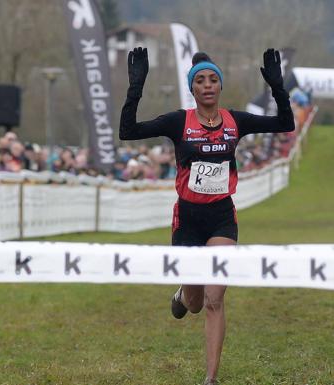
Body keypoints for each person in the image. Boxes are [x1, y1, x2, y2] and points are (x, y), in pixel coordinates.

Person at [119, 47, 294, 385]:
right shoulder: (178, 122)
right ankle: (182, 295)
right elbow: (128, 131)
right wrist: (136, 87)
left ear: (220, 86)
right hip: (187, 219)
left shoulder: (235, 121)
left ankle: (210, 378)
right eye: (200, 80)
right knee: (196, 302)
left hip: (221, 217)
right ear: (193, 89)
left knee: (215, 300)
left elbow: (285, 124)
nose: (208, 85)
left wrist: (278, 87)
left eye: (214, 79)